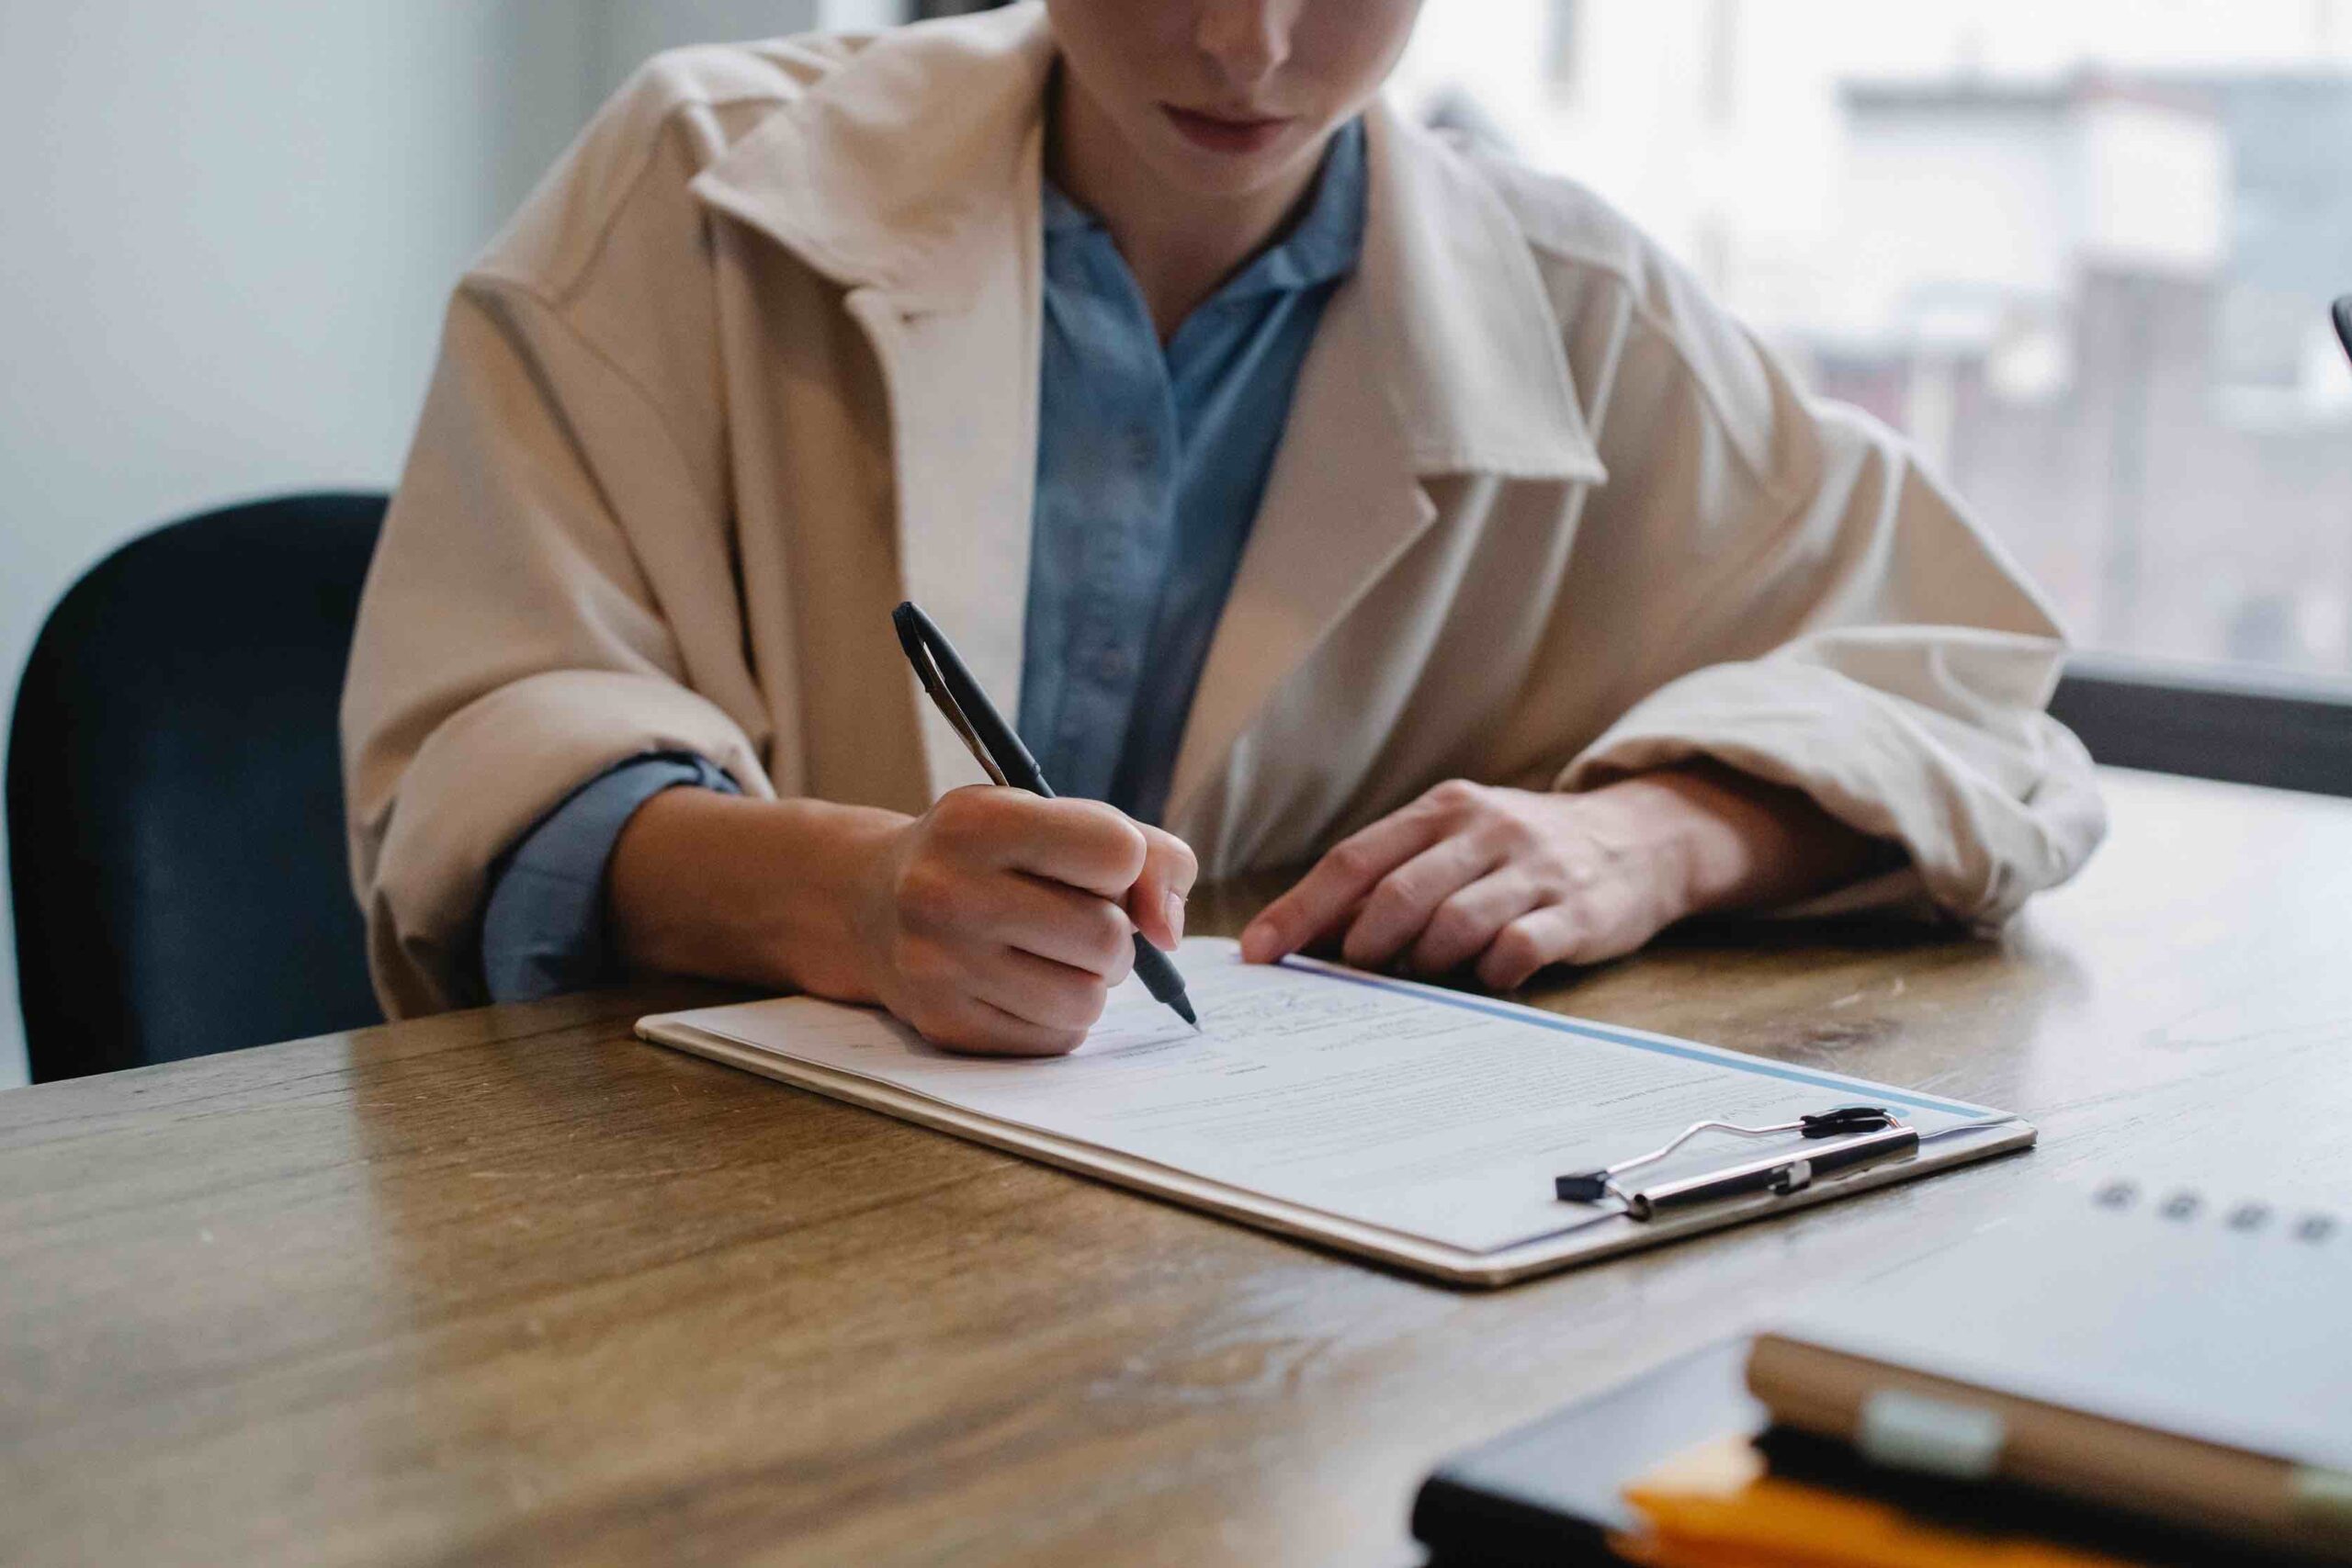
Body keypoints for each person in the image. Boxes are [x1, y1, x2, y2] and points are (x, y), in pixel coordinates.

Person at [341, 0, 2105, 1055]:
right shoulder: (695, 182)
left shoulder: (1583, 312)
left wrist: (1652, 838)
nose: (1249, 46)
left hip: (1290, 1286)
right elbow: (486, 755)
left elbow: (1981, 708)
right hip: (707, 1240)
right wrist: (852, 903)